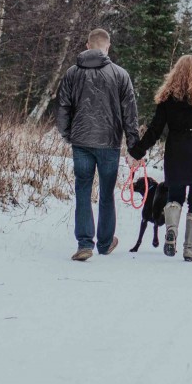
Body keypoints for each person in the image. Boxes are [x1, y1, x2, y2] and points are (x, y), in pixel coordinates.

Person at [128, 54, 192, 262]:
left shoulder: (168, 99)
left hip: (178, 153)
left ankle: (171, 232)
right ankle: (189, 249)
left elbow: (155, 130)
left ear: (175, 73)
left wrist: (138, 151)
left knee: (175, 197)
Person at [56, 28, 139, 261]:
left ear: (87, 45)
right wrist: (134, 146)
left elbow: (62, 107)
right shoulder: (120, 75)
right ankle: (104, 243)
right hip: (109, 143)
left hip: (81, 141)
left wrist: (67, 134)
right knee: (106, 194)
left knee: (82, 190)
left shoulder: (72, 73)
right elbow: (130, 114)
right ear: (108, 46)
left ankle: (84, 243)